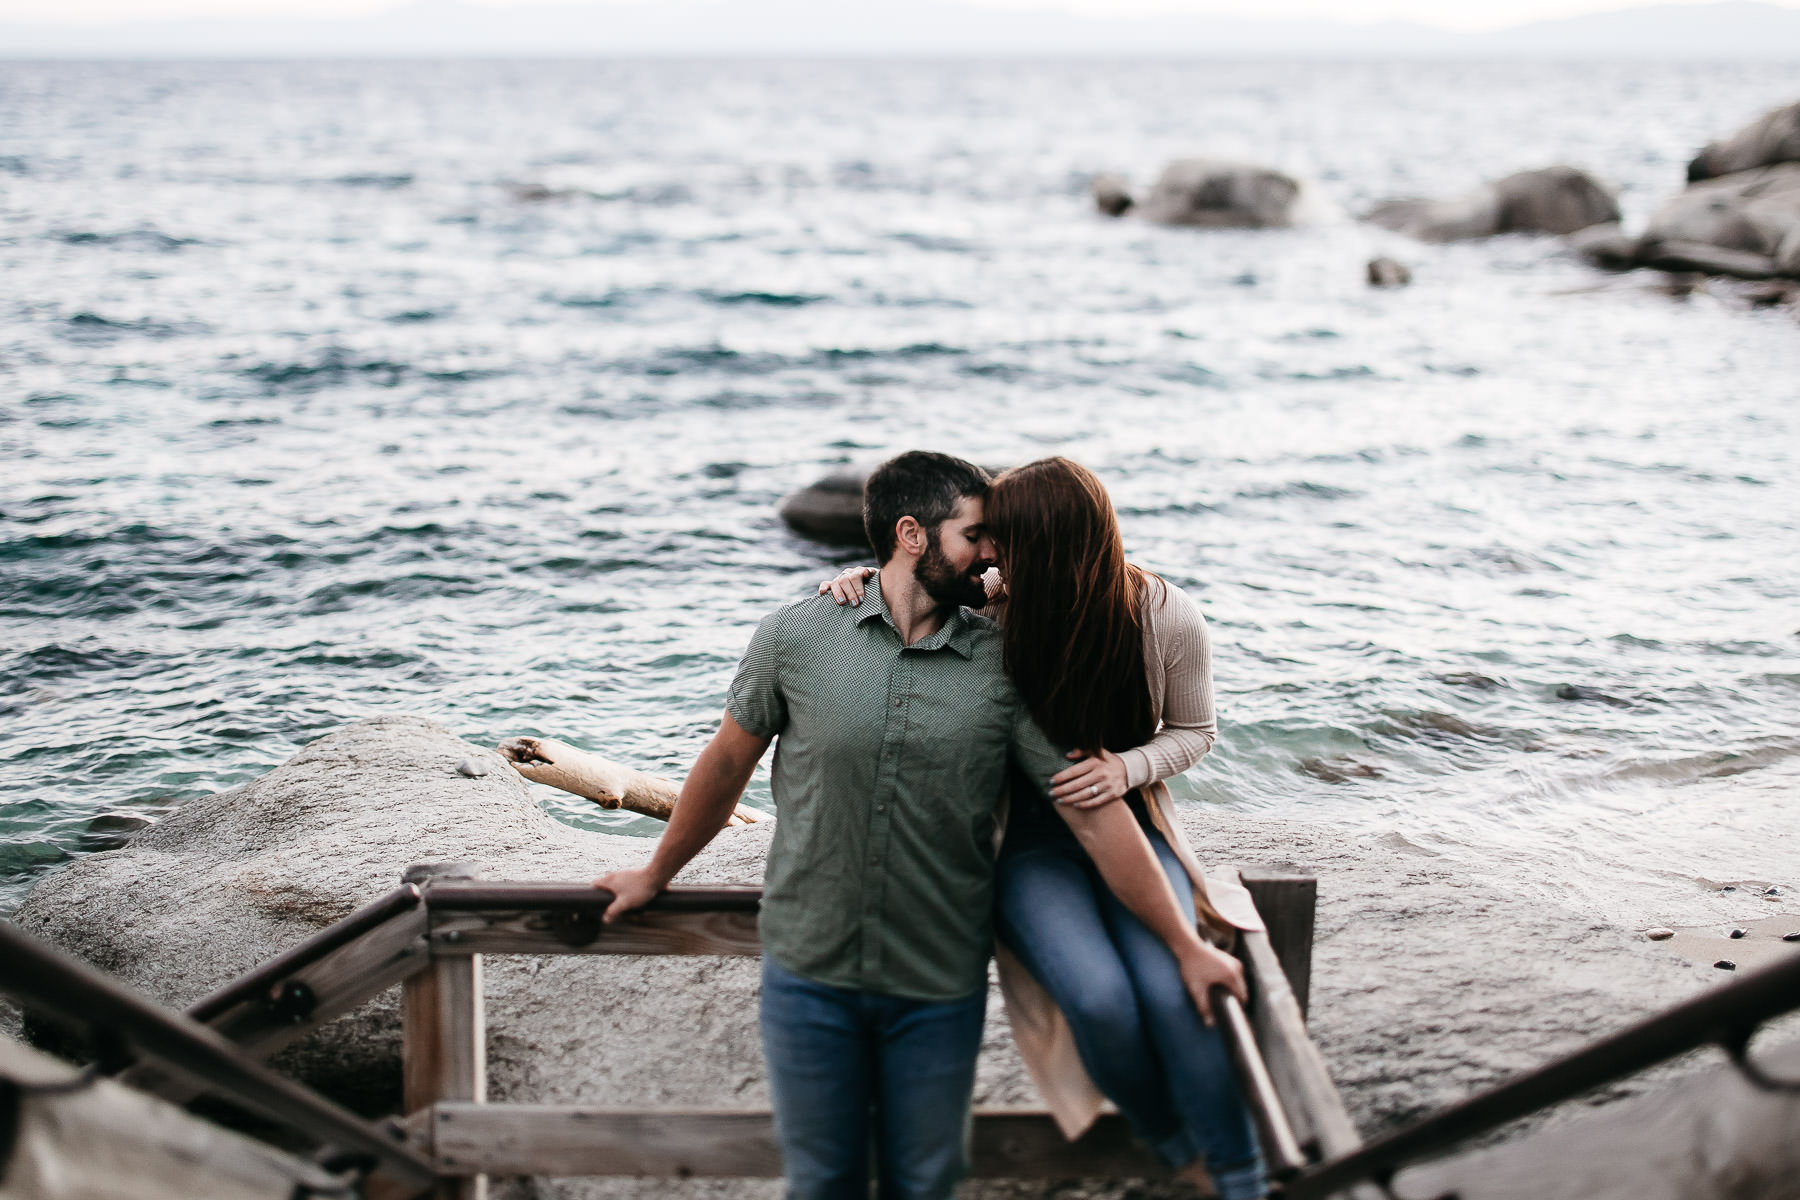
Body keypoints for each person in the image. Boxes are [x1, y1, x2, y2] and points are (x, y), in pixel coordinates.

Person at [596, 450, 1247, 1200]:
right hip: (810, 971)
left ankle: (1225, 1166)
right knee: (823, 1183)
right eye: (978, 535)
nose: (991, 554)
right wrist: (654, 873)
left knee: (929, 1181)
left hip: (940, 977)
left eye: (997, 539)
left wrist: (1179, 936)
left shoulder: (1014, 654)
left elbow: (1110, 803)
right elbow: (722, 766)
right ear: (912, 534)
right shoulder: (806, 632)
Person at [819, 455, 1267, 1200]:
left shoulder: (1164, 614)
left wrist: (1126, 768)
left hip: (1127, 825)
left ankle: (1241, 1176)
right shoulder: (993, 606)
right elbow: (905, 598)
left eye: (1003, 536)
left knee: (1174, 992)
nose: (988, 551)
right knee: (1098, 1001)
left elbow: (1195, 731)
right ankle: (1172, 1144)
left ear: (1052, 541)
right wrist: (850, 582)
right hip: (1026, 846)